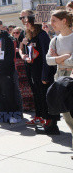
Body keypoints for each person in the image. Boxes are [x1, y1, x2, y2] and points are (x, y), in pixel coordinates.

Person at [20, 15, 59, 134]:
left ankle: (52, 125)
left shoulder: (42, 35)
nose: (25, 24)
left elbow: (46, 56)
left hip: (43, 73)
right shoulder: (32, 37)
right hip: (35, 73)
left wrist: (45, 75)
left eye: (28, 22)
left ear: (34, 23)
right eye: (25, 22)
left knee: (47, 98)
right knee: (40, 98)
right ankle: (46, 121)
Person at [46, 10, 73, 141]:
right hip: (61, 79)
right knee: (67, 116)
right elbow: (48, 60)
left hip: (71, 77)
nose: (51, 24)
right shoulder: (55, 40)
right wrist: (62, 58)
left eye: (54, 20)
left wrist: (58, 59)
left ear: (64, 21)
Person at [12, 27, 35, 113]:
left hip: (23, 63)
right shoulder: (13, 41)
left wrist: (18, 51)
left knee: (27, 85)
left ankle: (31, 105)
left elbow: (25, 51)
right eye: (14, 33)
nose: (15, 34)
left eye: (17, 32)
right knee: (21, 86)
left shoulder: (24, 40)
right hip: (17, 65)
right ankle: (24, 105)